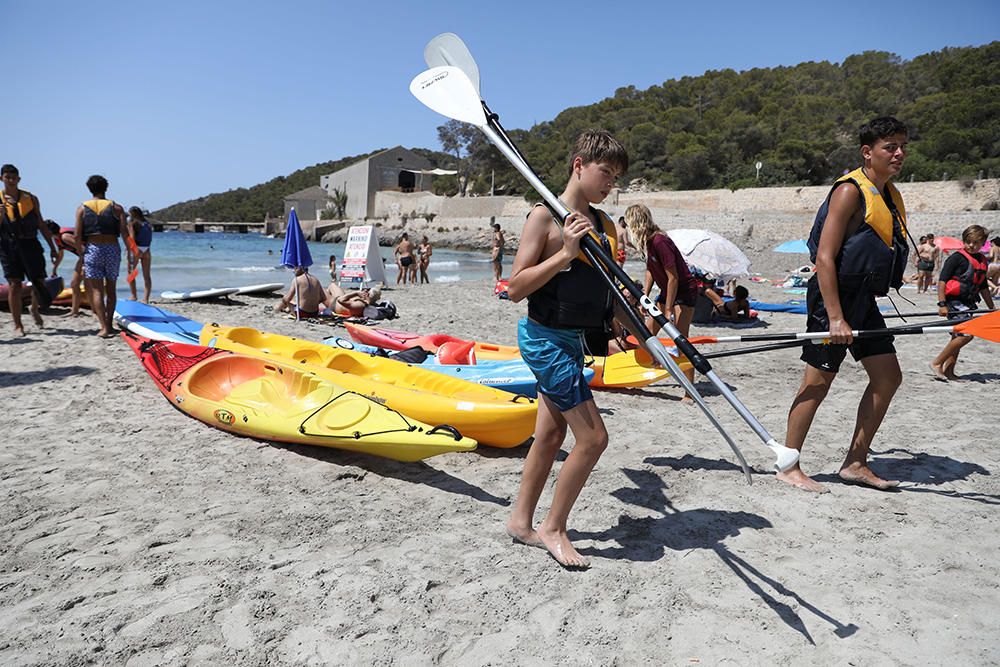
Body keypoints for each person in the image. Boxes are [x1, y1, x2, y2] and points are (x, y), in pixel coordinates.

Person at [505, 129, 627, 569]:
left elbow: (608, 289)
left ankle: (521, 521)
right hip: (544, 341)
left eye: (616, 177)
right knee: (594, 437)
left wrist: (637, 329)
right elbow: (515, 288)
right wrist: (565, 255)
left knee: (552, 434)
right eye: (605, 172)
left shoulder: (606, 224)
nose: (610, 183)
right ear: (579, 165)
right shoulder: (545, 217)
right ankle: (554, 527)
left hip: (577, 341)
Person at [780, 116, 911, 493]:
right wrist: (835, 317)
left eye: (902, 145)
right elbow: (824, 258)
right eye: (890, 147)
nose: (899, 153)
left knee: (888, 376)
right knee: (817, 382)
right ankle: (788, 464)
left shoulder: (887, 193)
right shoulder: (850, 191)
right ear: (868, 153)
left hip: (863, 299)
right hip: (831, 299)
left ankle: (855, 461)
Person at [624, 203, 698, 388]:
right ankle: (657, 364)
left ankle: (689, 390)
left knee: (681, 340)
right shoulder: (648, 242)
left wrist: (667, 310)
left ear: (636, 223)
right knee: (647, 334)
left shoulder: (660, 241)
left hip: (684, 291)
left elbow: (673, 277)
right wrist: (645, 296)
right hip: (668, 291)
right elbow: (651, 269)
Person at [930, 225, 995, 381]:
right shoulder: (956, 258)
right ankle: (937, 363)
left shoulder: (982, 260)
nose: (971, 245)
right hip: (954, 302)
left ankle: (949, 372)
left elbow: (983, 286)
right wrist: (942, 304)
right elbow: (942, 282)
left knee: (957, 338)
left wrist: (992, 308)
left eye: (975, 243)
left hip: (969, 303)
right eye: (968, 242)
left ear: (983, 243)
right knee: (966, 334)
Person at [74, 175, 134, 337]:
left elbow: (77, 235)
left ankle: (103, 327)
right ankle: (109, 324)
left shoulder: (82, 208)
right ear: (106, 188)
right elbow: (124, 233)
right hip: (112, 248)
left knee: (97, 291)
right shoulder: (117, 208)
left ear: (89, 188)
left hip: (93, 249)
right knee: (111, 290)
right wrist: (130, 252)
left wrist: (81, 253)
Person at [1, 164, 58, 335]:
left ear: (18, 179)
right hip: (8, 246)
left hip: (31, 243)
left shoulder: (31, 198)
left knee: (38, 281)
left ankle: (34, 308)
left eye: (13, 177)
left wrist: (52, 247)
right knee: (14, 284)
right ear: (2, 179)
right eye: (7, 177)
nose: (10, 180)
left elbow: (40, 223)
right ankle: (18, 325)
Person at [127, 207, 153, 303]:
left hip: (136, 249)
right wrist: (146, 249)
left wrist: (129, 250)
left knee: (131, 274)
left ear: (133, 214)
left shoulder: (132, 223)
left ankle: (134, 296)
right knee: (146, 275)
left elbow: (132, 238)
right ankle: (146, 299)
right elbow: (149, 238)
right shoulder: (148, 224)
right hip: (146, 249)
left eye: (130, 214)